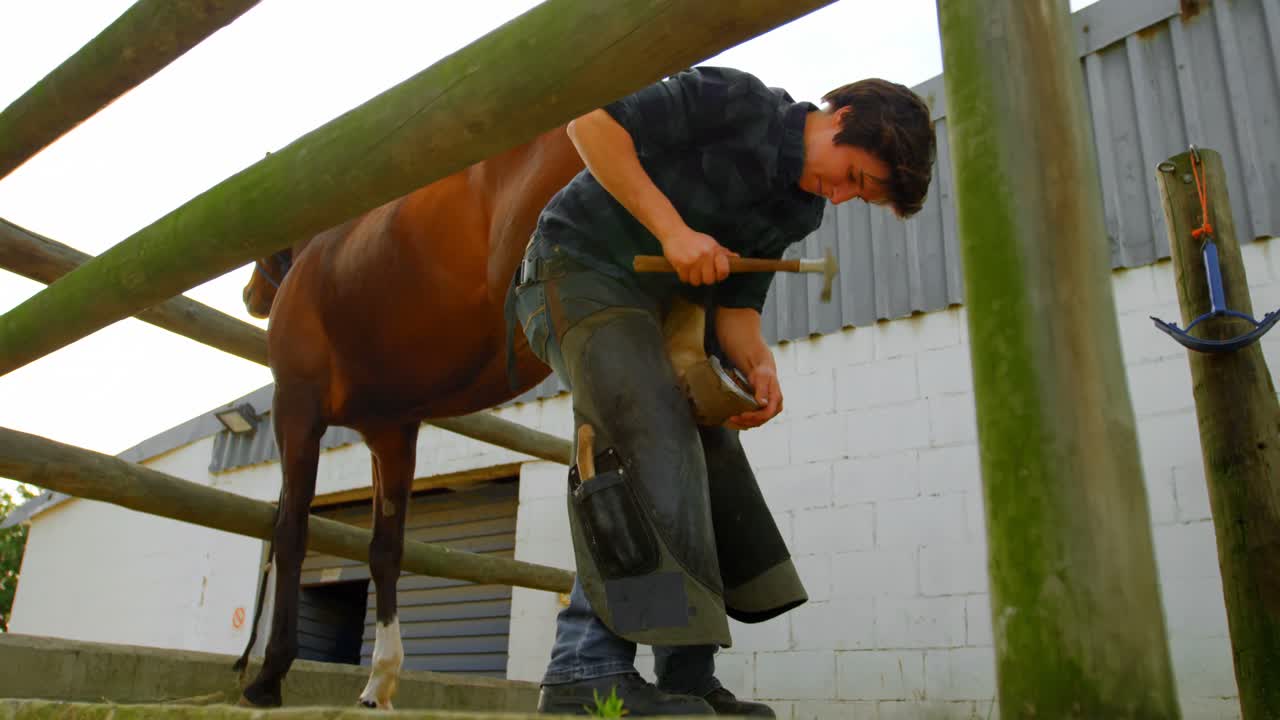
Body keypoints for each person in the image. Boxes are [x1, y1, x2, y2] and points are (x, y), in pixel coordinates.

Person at [508, 65, 935, 716]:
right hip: (574, 269)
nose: (844, 197)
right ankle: (582, 670)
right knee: (643, 427)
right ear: (846, 120)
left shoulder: (802, 207)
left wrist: (757, 362)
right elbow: (590, 126)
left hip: (660, 316)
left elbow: (736, 305)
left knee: (706, 453)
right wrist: (674, 232)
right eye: (855, 178)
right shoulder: (734, 100)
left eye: (861, 197)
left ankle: (686, 677)